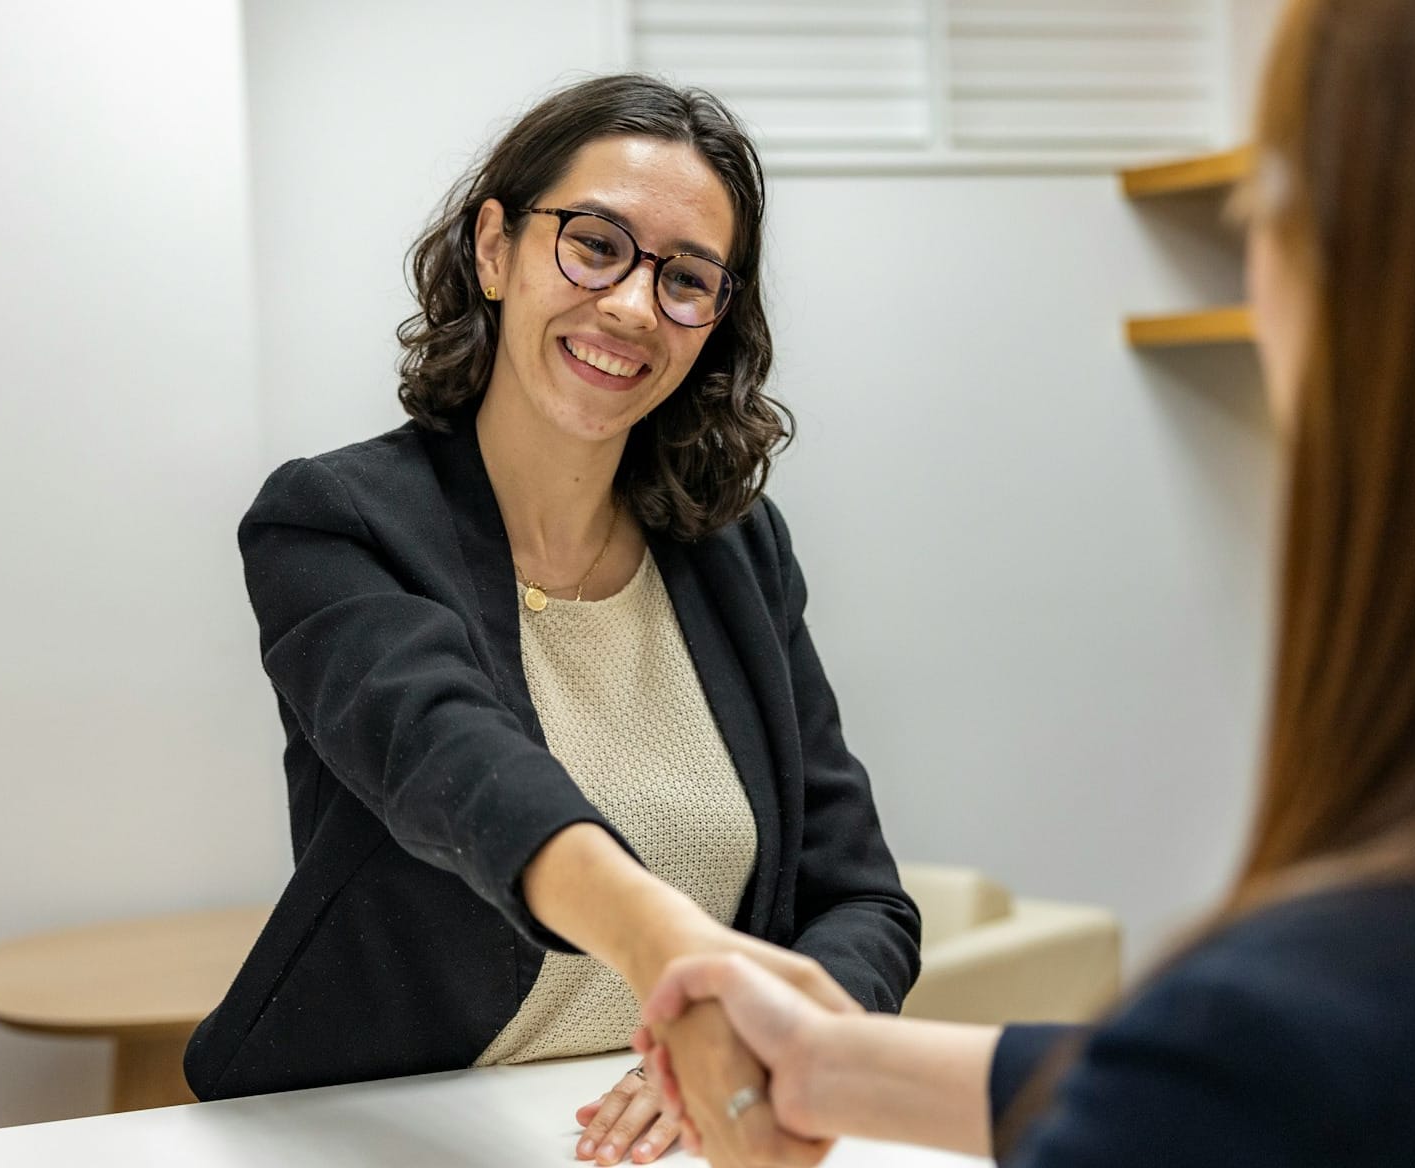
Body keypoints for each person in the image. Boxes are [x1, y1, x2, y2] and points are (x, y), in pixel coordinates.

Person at [634, 0, 1415, 1164]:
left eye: (1269, 211)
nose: (632, 304)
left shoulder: (1307, 1033)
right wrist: (841, 1065)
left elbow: (1258, 1075)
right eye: (592, 245)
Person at [182, 75, 921, 1168]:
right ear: (494, 249)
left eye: (684, 279)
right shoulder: (333, 521)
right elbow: (457, 766)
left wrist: (762, 1047)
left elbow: (860, 900)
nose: (630, 305)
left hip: (662, 1135)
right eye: (594, 244)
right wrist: (676, 955)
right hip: (378, 1132)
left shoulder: (735, 551)